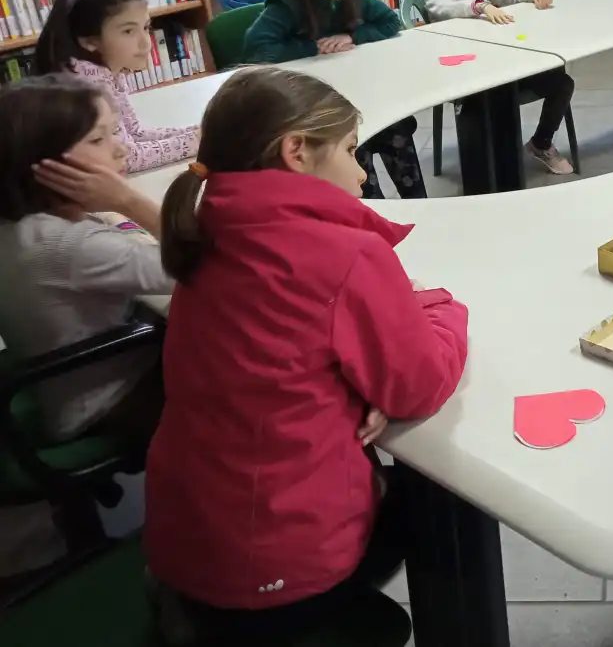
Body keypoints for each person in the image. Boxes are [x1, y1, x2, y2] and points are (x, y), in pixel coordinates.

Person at [143, 66, 468, 645]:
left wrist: (349, 385)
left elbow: (279, 356)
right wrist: (440, 308)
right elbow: (418, 385)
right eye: (349, 149)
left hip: (184, 539)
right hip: (278, 568)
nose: (363, 170)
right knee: (449, 501)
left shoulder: (206, 225)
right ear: (296, 151)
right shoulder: (345, 254)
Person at [0, 74, 170, 443]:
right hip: (109, 399)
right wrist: (129, 202)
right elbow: (203, 263)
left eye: (114, 131)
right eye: (98, 139)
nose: (120, 149)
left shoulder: (23, 222)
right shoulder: (71, 246)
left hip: (61, 384)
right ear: (43, 164)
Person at [243, 0, 427, 199]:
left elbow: (391, 21)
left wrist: (353, 35)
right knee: (354, 145)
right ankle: (372, 215)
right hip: (322, 104)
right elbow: (256, 50)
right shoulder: (286, 4)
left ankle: (420, 208)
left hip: (359, 88)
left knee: (395, 128)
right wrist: (311, 47)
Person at [420, 0, 576, 174]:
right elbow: (443, 9)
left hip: (500, 62)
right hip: (467, 74)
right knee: (497, 101)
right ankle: (499, 166)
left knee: (562, 83)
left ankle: (541, 142)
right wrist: (479, 5)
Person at [34, 0, 198, 173]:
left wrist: (196, 132)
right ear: (89, 40)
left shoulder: (106, 69)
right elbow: (127, 157)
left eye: (146, 27)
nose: (146, 42)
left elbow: (135, 133)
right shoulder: (86, 86)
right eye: (128, 31)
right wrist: (197, 140)